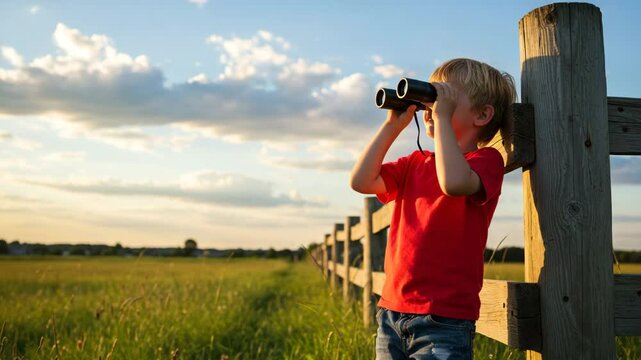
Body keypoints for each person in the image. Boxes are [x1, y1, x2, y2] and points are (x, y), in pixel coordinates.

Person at [350, 58, 517, 359]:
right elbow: (361, 181)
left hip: (444, 318)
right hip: (392, 311)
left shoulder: (485, 161)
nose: (431, 107)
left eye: (443, 97)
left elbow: (452, 183)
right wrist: (392, 127)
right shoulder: (413, 164)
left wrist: (441, 120)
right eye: (430, 99)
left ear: (482, 115)